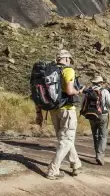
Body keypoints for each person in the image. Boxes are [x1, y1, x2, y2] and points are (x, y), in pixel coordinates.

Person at [36, 50, 85, 180]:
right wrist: (78, 92)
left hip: (53, 110)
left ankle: (76, 164)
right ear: (67, 59)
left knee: (64, 140)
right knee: (66, 140)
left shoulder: (48, 71)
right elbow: (69, 90)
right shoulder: (68, 70)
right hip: (67, 110)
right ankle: (53, 170)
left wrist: (38, 113)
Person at [81, 75, 110, 166]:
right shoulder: (104, 91)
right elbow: (109, 103)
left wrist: (83, 112)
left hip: (91, 115)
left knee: (95, 135)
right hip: (103, 115)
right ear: (101, 83)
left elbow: (83, 103)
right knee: (103, 136)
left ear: (93, 82)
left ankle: (97, 153)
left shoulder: (88, 91)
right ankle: (100, 156)